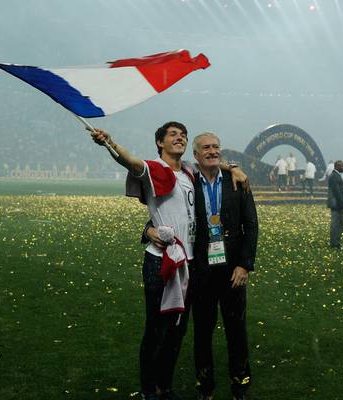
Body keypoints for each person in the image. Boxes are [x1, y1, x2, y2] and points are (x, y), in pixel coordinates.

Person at [91, 122, 246, 400]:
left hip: (188, 265)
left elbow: (211, 162)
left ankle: (165, 387)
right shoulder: (153, 169)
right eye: (173, 135)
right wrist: (110, 144)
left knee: (177, 331)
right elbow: (131, 162)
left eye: (183, 135)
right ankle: (149, 390)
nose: (180, 138)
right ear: (160, 142)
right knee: (157, 330)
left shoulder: (188, 171)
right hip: (160, 264)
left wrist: (232, 167)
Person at [147, 132, 258, 400]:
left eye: (216, 147)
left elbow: (251, 226)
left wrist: (244, 265)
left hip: (233, 271)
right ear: (195, 156)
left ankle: (240, 385)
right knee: (202, 333)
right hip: (201, 271)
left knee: (237, 331)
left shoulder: (237, 182)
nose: (212, 151)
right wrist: (147, 229)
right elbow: (168, 212)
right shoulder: (188, 180)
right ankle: (205, 387)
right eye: (206, 148)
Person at [327, 160, 343, 248]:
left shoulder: (335, 175)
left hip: (338, 204)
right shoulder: (334, 176)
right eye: (342, 166)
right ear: (337, 167)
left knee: (340, 222)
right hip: (337, 204)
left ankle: (336, 241)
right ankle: (334, 243)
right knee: (336, 224)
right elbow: (337, 192)